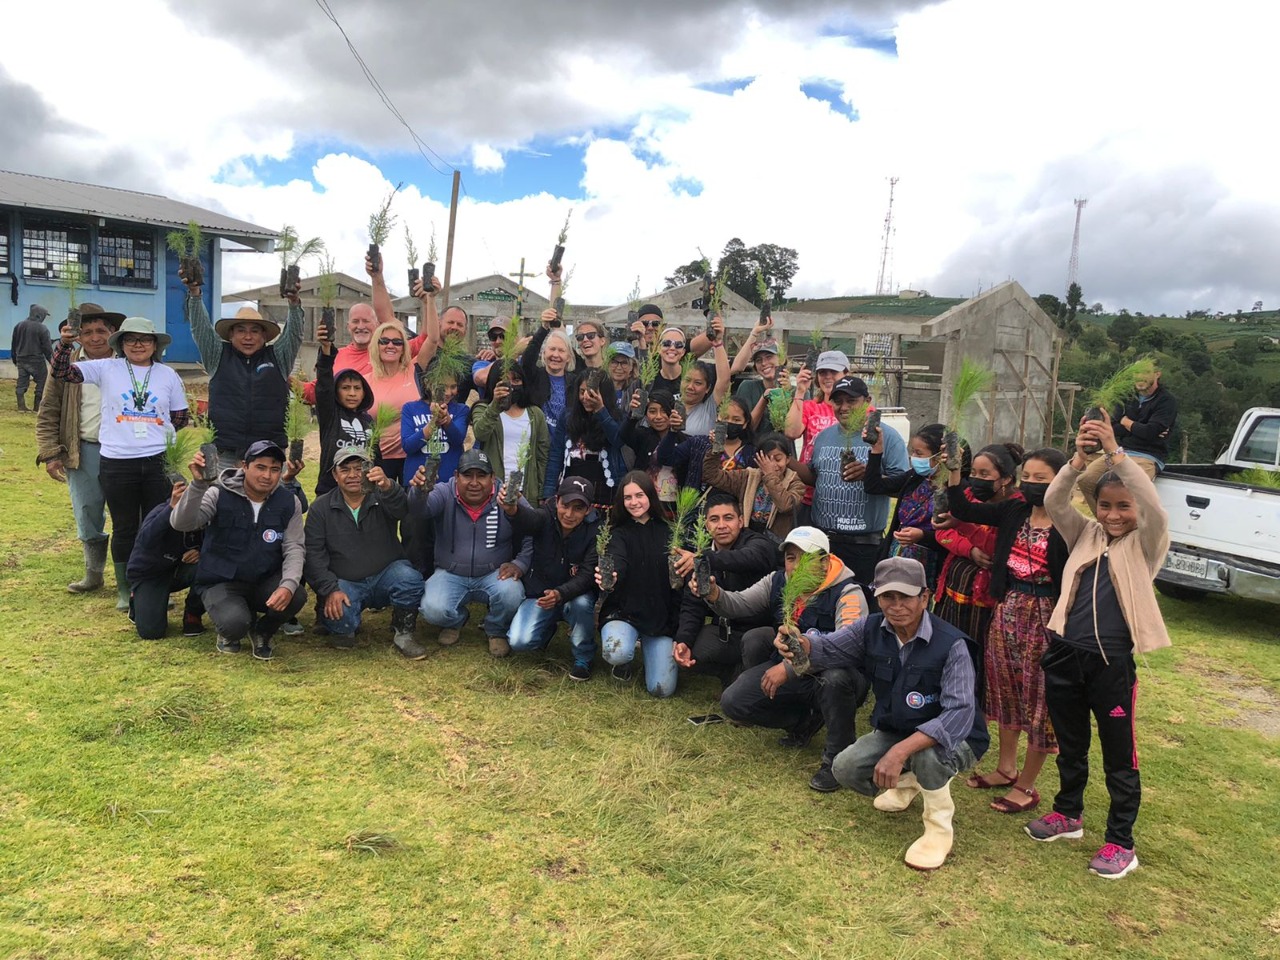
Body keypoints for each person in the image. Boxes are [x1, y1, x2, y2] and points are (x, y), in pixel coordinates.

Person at [1025, 412, 1171, 880]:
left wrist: (1116, 452)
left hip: (1112, 665)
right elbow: (1054, 498)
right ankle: (1068, 814)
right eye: (1105, 505)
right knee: (1070, 743)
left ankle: (1120, 842)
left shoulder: (1146, 543)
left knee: (1118, 755)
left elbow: (1152, 506)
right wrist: (1078, 459)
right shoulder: (1084, 533)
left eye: (1123, 507)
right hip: (1066, 653)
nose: (1113, 515)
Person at [807, 557, 989, 871]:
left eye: (905, 596)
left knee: (927, 757)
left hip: (959, 737)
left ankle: (938, 830)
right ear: (876, 597)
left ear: (925, 597)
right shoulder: (870, 628)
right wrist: (801, 644)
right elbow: (828, 649)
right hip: (897, 728)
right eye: (887, 596)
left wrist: (899, 752)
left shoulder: (952, 644)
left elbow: (958, 714)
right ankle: (910, 782)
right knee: (844, 768)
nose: (896, 605)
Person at [943, 447, 1069, 814]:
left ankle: (1027, 786)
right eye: (1026, 477)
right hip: (1009, 608)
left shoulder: (1068, 522)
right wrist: (955, 473)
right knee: (1006, 689)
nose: (1031, 484)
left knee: (1039, 699)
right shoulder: (1015, 509)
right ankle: (1006, 768)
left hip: (1046, 616)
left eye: (1040, 479)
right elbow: (965, 511)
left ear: (1060, 481)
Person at [715, 527, 870, 791]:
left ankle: (837, 760)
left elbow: (849, 648)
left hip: (836, 677)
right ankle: (803, 722)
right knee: (733, 702)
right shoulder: (777, 581)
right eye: (790, 557)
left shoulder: (848, 592)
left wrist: (788, 668)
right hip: (793, 672)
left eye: (805, 558)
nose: (795, 566)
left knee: (835, 679)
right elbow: (739, 603)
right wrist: (713, 593)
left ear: (824, 561)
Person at [51, 317, 190, 610]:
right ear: (121, 344)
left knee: (157, 524)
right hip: (117, 461)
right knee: (125, 526)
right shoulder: (105, 368)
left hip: (157, 461)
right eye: (130, 339)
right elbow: (63, 373)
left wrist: (151, 432)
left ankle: (152, 585)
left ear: (155, 345)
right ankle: (125, 589)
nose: (138, 344)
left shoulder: (168, 375)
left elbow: (179, 417)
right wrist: (64, 345)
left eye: (145, 339)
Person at [172, 441, 307, 661]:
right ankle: (230, 630)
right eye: (260, 467)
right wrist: (197, 485)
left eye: (274, 469)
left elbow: (294, 547)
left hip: (263, 580)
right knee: (235, 624)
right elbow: (182, 523)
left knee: (296, 595)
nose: (267, 476)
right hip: (221, 580)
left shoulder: (288, 502)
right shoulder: (217, 492)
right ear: (244, 466)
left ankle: (263, 631)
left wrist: (288, 585)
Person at [304, 446, 427, 658]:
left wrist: (389, 486)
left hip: (386, 574)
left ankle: (403, 631)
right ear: (335, 475)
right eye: (345, 469)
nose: (353, 475)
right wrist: (329, 589)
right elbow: (313, 555)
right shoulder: (320, 508)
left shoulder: (382, 495)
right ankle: (340, 623)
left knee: (410, 579)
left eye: (359, 468)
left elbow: (403, 510)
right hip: (345, 583)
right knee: (342, 627)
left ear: (369, 471)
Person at [35, 303, 124, 594]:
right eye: (87, 332)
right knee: (87, 512)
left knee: (130, 516)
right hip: (83, 449)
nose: (95, 337)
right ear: (79, 336)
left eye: (101, 330)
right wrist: (50, 453)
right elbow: (49, 408)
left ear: (113, 333)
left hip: (124, 452)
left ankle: (134, 581)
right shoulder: (66, 364)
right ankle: (93, 574)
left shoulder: (127, 363)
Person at [410, 449, 530, 656]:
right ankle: (456, 620)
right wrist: (419, 491)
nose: (474, 482)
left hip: (494, 573)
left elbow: (532, 529)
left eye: (481, 475)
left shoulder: (507, 495)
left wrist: (520, 563)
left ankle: (495, 629)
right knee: (432, 610)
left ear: (492, 477)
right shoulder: (444, 491)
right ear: (456, 476)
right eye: (467, 475)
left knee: (512, 595)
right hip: (450, 573)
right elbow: (420, 510)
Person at [792, 376, 907, 587]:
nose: (844, 407)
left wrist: (869, 475)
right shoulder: (823, 437)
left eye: (851, 401)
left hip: (863, 545)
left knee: (858, 608)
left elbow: (904, 487)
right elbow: (816, 477)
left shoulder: (886, 437)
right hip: (823, 542)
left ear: (867, 400)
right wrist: (787, 462)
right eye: (838, 401)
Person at [184, 265, 302, 469]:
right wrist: (195, 294)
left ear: (264, 336)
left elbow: (294, 334)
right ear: (230, 334)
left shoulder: (278, 357)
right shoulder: (217, 355)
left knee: (272, 501)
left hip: (269, 454)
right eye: (241, 330)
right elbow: (200, 327)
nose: (248, 337)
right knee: (222, 500)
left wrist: (293, 303)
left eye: (255, 331)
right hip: (225, 454)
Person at [932, 443, 1024, 701]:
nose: (976, 479)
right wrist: (968, 549)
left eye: (985, 474)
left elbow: (994, 547)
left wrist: (964, 527)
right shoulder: (969, 497)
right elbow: (942, 532)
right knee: (947, 645)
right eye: (973, 472)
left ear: (1005, 479)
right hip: (953, 589)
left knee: (979, 652)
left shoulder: (1017, 507)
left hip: (987, 600)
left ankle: (975, 707)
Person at [672, 491, 778, 688]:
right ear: (705, 524)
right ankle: (732, 673)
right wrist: (683, 641)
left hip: (760, 635)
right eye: (714, 519)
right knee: (691, 649)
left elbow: (751, 557)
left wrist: (704, 559)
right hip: (725, 632)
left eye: (728, 518)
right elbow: (692, 605)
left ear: (740, 520)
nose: (721, 525)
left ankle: (749, 676)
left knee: (753, 643)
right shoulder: (700, 554)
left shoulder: (758, 543)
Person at [501, 476, 601, 681]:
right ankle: (547, 629)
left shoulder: (596, 531)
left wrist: (560, 593)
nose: (569, 514)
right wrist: (512, 510)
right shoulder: (545, 516)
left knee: (582, 604)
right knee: (519, 642)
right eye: (565, 505)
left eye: (578, 508)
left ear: (588, 510)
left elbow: (587, 575)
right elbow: (528, 519)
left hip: (573, 596)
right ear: (556, 501)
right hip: (540, 595)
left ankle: (584, 657)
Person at [299, 256, 432, 404]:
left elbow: (428, 338)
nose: (360, 326)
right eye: (355, 322)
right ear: (348, 327)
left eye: (366, 321)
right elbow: (316, 390)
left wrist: (428, 302)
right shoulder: (337, 356)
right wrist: (281, 377)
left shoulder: (391, 349)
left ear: (377, 325)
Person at [596, 471, 682, 695]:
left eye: (639, 495)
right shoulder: (616, 534)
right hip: (625, 614)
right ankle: (625, 659)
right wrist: (611, 576)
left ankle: (651, 654)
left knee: (661, 689)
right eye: (628, 498)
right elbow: (617, 562)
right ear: (621, 502)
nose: (634, 502)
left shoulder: (669, 532)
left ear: (650, 497)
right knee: (617, 652)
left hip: (660, 619)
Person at [1076, 364, 1177, 513]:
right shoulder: (1127, 397)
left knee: (1129, 488)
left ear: (1157, 374)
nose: (1140, 376)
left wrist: (1126, 422)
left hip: (1147, 455)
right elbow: (1113, 428)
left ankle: (1134, 530)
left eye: (1146, 372)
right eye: (1137, 372)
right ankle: (1105, 522)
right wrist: (1140, 428)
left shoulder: (1166, 401)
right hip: (1119, 451)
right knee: (1086, 480)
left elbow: (1150, 432)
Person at [863, 422, 950, 585]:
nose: (913, 457)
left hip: (930, 567)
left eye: (919, 453)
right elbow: (873, 486)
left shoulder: (953, 489)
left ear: (939, 456)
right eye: (912, 452)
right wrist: (877, 450)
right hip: (896, 557)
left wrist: (922, 536)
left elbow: (951, 537)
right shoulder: (915, 478)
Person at [127, 479, 205, 640]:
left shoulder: (207, 512)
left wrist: (201, 552)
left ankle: (193, 612)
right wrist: (171, 509)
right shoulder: (161, 510)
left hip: (181, 570)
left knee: (209, 566)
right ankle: (138, 597)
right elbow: (146, 540)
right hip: (151, 573)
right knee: (151, 632)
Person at [702, 431, 806, 542]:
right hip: (745, 540)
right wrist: (716, 448)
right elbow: (711, 476)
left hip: (775, 544)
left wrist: (770, 476)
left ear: (788, 459)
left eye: (778, 459)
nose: (772, 465)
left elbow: (785, 506)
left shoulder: (796, 484)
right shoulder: (747, 476)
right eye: (766, 459)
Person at [784, 349, 848, 522]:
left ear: (846, 374)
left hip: (844, 496)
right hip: (809, 494)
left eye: (833, 372)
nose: (827, 377)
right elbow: (791, 432)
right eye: (822, 372)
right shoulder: (811, 406)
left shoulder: (859, 411)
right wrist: (799, 391)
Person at [471, 367, 549, 505]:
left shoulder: (535, 414)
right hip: (493, 490)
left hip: (526, 491)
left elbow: (543, 455)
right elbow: (481, 433)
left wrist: (541, 492)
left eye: (516, 380)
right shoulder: (483, 408)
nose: (511, 385)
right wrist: (495, 405)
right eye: (504, 380)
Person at [544, 376, 624, 510]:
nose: (586, 397)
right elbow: (555, 455)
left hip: (604, 488)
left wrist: (600, 410)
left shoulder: (617, 416)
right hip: (572, 484)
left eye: (592, 393)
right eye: (582, 392)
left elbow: (618, 440)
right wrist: (548, 492)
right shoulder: (567, 416)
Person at [313, 323, 374, 496]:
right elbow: (324, 384)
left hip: (363, 492)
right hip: (330, 490)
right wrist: (326, 349)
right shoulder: (330, 414)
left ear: (364, 392)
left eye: (357, 388)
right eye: (345, 388)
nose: (352, 393)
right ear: (336, 391)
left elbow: (377, 458)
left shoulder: (369, 421)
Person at [366, 321, 420, 482]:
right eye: (384, 341)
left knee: (410, 504)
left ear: (404, 347)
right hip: (379, 458)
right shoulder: (365, 382)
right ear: (376, 345)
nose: (391, 345)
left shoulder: (413, 370)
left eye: (397, 342)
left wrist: (428, 300)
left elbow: (431, 339)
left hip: (412, 455)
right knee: (381, 504)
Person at [400, 369, 469, 492]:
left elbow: (458, 440)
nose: (448, 392)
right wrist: (433, 423)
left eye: (453, 387)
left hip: (450, 484)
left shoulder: (461, 410)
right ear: (427, 383)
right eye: (442, 387)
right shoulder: (410, 408)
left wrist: (447, 420)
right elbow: (408, 446)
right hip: (417, 481)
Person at [620, 389, 681, 516]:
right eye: (652, 411)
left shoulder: (684, 440)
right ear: (646, 414)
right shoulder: (643, 436)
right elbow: (624, 435)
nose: (658, 417)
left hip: (673, 508)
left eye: (665, 411)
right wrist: (633, 414)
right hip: (643, 505)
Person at [674, 333, 730, 438]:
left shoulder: (709, 408)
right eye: (687, 380)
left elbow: (724, 380)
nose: (690, 387)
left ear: (707, 388)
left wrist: (717, 343)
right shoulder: (670, 405)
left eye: (698, 383)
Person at [730, 321, 782, 426]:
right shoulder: (747, 387)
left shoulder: (796, 390)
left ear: (782, 359)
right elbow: (746, 428)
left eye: (769, 357)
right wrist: (764, 398)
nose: (764, 363)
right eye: (758, 360)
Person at [12, 303, 53, 412]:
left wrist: (15, 359)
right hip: (36, 360)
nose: (44, 318)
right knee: (42, 382)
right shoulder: (42, 328)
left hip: (21, 358)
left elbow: (14, 344)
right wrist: (53, 362)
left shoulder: (19, 325)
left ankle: (21, 407)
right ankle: (36, 407)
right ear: (39, 315)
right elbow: (47, 348)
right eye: (44, 316)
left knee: (21, 382)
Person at [605, 341, 638, 418]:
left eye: (624, 363)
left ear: (632, 366)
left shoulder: (636, 388)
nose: (619, 367)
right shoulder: (600, 388)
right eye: (614, 362)